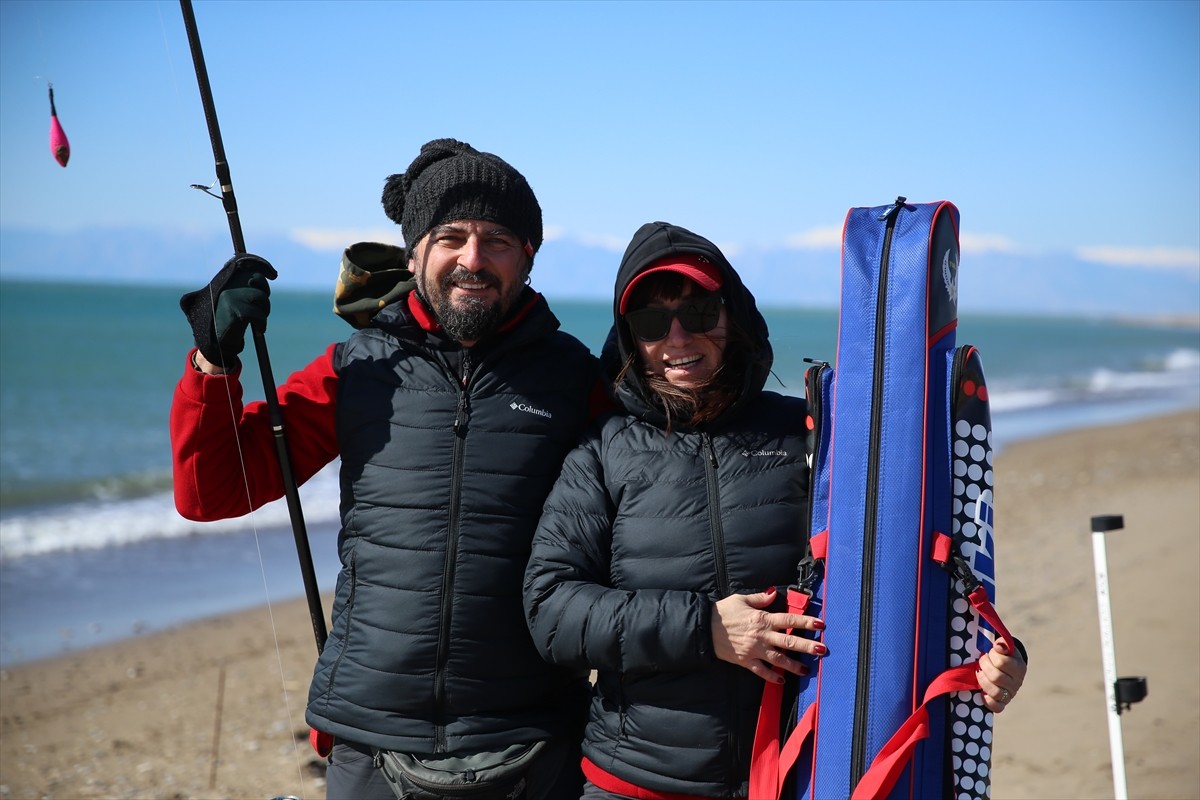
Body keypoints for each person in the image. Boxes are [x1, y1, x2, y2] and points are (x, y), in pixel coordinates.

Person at [522, 221, 1027, 798]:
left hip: (795, 774)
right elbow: (551, 609)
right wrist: (706, 628)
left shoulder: (808, 433)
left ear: (733, 316)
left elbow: (901, 558)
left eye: (700, 311)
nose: (678, 337)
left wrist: (988, 655)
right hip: (633, 781)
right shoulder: (602, 452)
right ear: (630, 340)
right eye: (651, 322)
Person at [171, 138, 606, 799]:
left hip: (535, 738)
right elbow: (211, 492)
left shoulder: (578, 380)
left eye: (496, 240)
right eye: (450, 237)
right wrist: (213, 359)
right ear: (413, 253)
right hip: (369, 740)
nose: (472, 259)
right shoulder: (356, 369)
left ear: (527, 256)